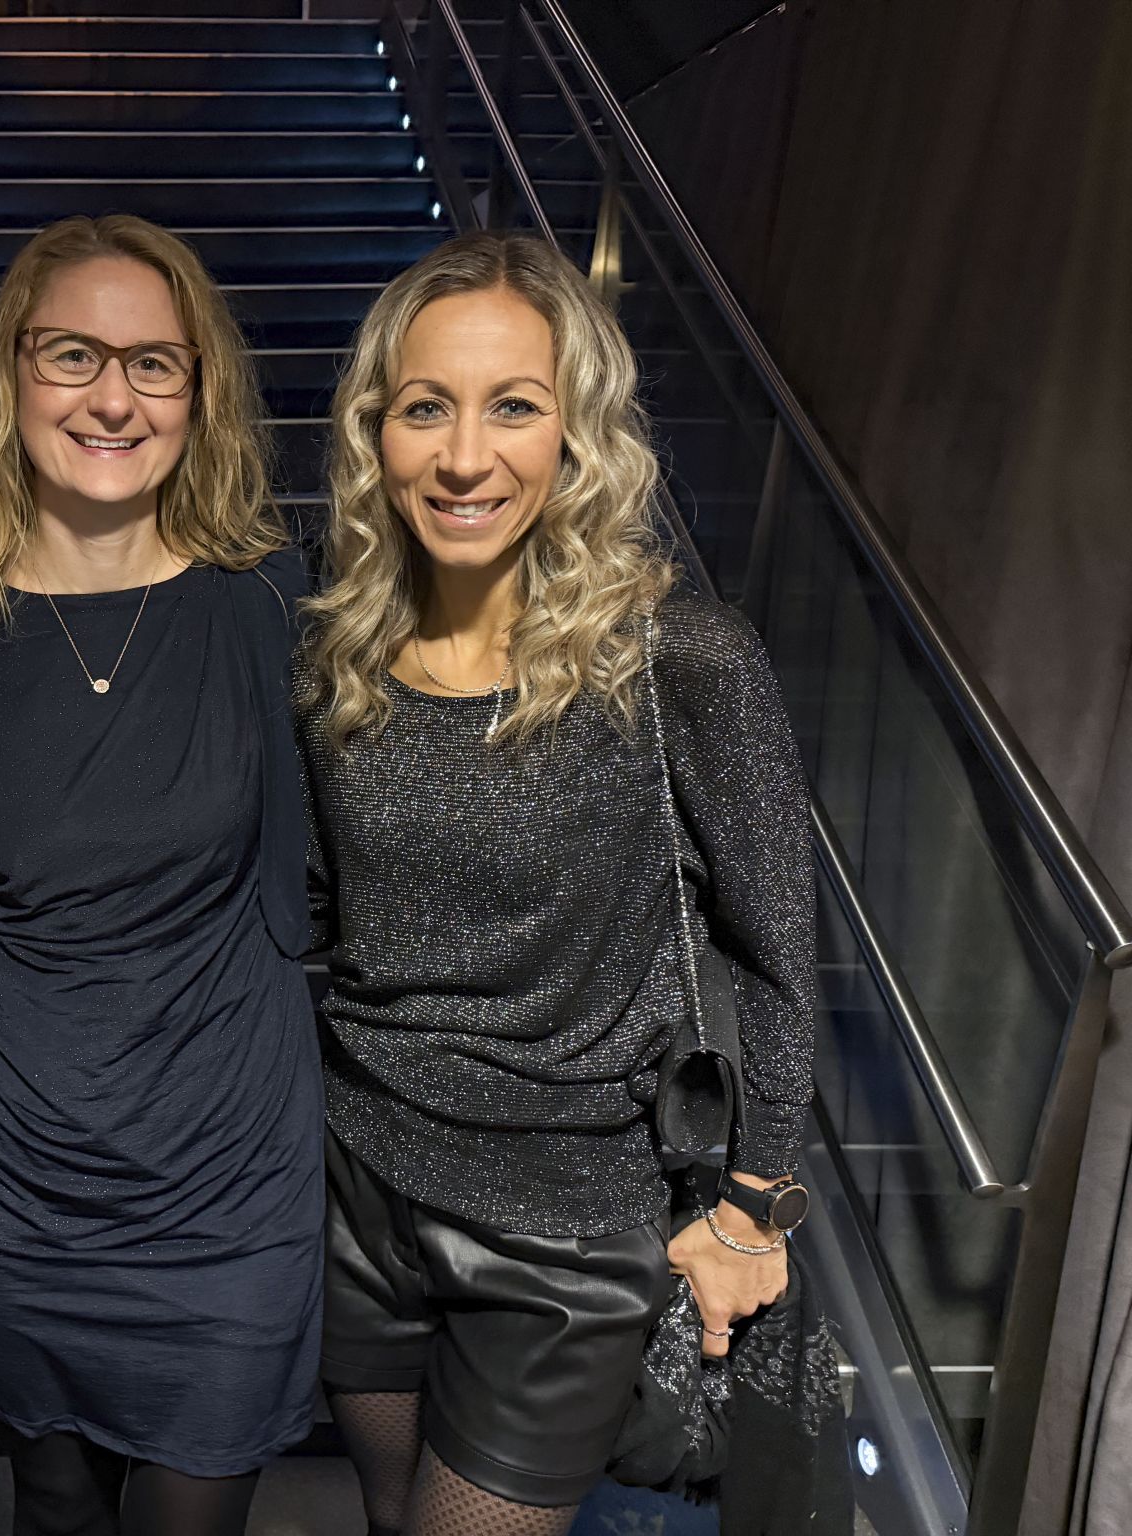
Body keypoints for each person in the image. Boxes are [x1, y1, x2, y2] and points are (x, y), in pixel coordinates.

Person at [297, 231, 818, 1536]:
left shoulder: (680, 656)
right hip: (357, 1194)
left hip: (566, 1240)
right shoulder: (342, 644)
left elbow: (778, 956)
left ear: (576, 429)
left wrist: (755, 1207)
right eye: (427, 407)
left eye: (513, 407)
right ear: (378, 430)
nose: (465, 457)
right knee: (384, 1513)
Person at [0, 214, 323, 1536]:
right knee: (52, 1507)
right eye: (74, 355)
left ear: (199, 393)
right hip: (15, 1187)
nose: (112, 397)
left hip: (229, 1194)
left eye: (155, 364)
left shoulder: (266, 603)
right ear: (11, 376)